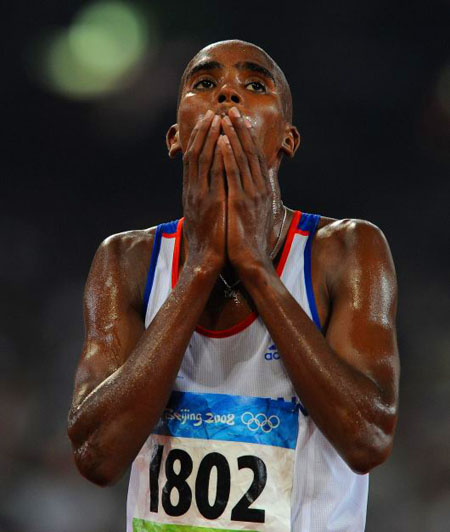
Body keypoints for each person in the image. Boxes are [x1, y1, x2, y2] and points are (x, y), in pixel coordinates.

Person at [67, 40, 400, 532]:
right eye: (205, 84)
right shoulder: (126, 260)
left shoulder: (347, 249)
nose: (227, 94)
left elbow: (368, 440)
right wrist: (200, 268)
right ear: (175, 137)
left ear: (288, 140)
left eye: (254, 85)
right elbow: (97, 458)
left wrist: (254, 267)